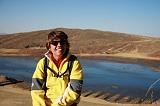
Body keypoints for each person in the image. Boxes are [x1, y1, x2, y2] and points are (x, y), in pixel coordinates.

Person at [31, 31, 83, 106]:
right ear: (49, 46)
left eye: (62, 42)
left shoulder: (74, 62)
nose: (59, 45)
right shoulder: (43, 63)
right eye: (55, 43)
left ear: (67, 45)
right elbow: (36, 90)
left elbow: (75, 90)